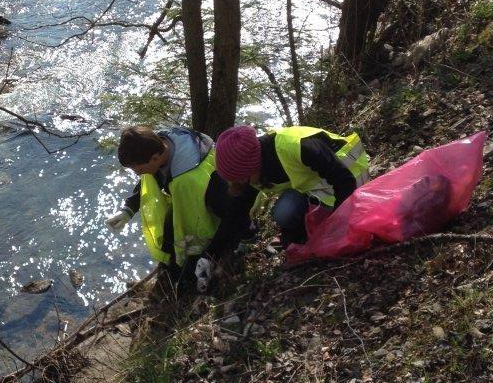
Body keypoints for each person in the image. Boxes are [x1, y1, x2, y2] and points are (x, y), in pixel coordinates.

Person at [106, 125, 252, 292]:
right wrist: (128, 210)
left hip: (217, 209)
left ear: (154, 158)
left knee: (186, 272)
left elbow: (228, 210)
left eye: (138, 169)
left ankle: (181, 281)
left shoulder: (188, 178)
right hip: (197, 203)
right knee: (169, 232)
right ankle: (169, 274)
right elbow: (148, 180)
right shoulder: (163, 143)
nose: (138, 174)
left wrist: (218, 250)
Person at [214, 124, 370, 246]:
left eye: (242, 178)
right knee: (284, 212)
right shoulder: (255, 166)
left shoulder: (298, 146)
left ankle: (318, 225)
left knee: (289, 211)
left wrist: (338, 224)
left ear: (252, 165)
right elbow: (236, 212)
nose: (242, 183)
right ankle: (304, 233)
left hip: (352, 175)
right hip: (318, 187)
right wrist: (209, 256)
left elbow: (344, 179)